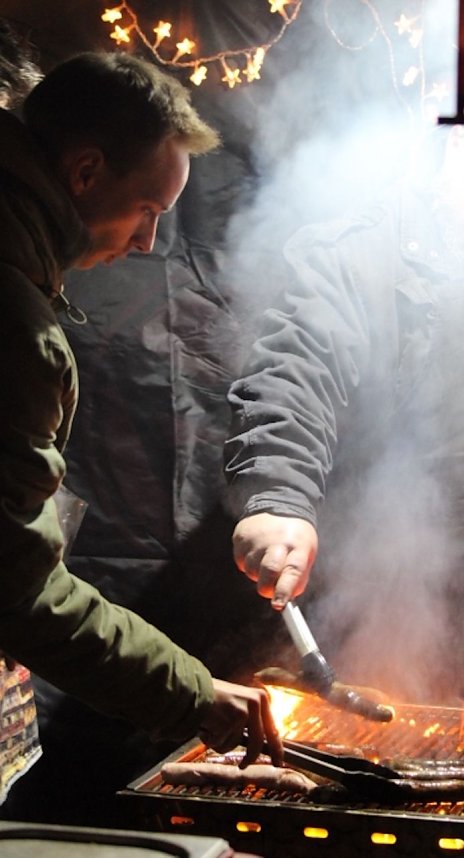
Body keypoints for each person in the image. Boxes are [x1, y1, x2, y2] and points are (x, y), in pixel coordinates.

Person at [0, 50, 283, 810]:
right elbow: (13, 588)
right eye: (148, 210)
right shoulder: (15, 327)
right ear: (85, 171)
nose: (148, 242)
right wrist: (192, 693)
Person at [223, 123, 464, 711]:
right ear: (458, 149)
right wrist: (279, 499)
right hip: (392, 572)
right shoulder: (356, 256)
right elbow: (294, 373)